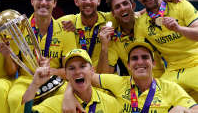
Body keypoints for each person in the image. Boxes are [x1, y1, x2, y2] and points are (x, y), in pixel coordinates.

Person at [58, 0, 183, 74]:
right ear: (76, 1)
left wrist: (163, 1)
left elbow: (138, 14)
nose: (88, 2)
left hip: (166, 75)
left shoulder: (110, 19)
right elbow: (46, 23)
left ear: (98, 1)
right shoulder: (67, 21)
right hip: (79, 76)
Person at [63, 41, 198, 113]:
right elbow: (81, 75)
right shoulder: (118, 82)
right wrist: (68, 93)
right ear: (128, 65)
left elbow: (195, 108)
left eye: (145, 57)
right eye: (134, 58)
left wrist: (183, 110)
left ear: (153, 62)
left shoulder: (170, 87)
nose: (140, 62)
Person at [7, 0, 77, 113]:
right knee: (15, 98)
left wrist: (50, 71)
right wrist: (7, 54)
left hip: (55, 80)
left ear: (54, 3)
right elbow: (11, 71)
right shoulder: (19, 29)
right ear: (32, 1)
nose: (44, 2)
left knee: (71, 98)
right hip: (26, 80)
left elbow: (71, 70)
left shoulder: (65, 31)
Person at [132, 0, 198, 101]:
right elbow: (140, 51)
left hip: (196, 62)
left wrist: (179, 29)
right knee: (155, 100)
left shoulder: (181, 5)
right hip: (173, 71)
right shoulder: (140, 23)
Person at [22, 48, 121, 113]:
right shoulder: (56, 104)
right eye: (71, 68)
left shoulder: (110, 103)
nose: (77, 72)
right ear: (66, 75)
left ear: (92, 71)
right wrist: (35, 84)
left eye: (82, 66)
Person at [98, 0, 165, 77]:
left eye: (125, 3)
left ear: (133, 5)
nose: (122, 8)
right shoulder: (114, 39)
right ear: (113, 14)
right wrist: (104, 46)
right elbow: (103, 75)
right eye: (117, 7)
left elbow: (161, 7)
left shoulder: (148, 20)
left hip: (166, 79)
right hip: (139, 85)